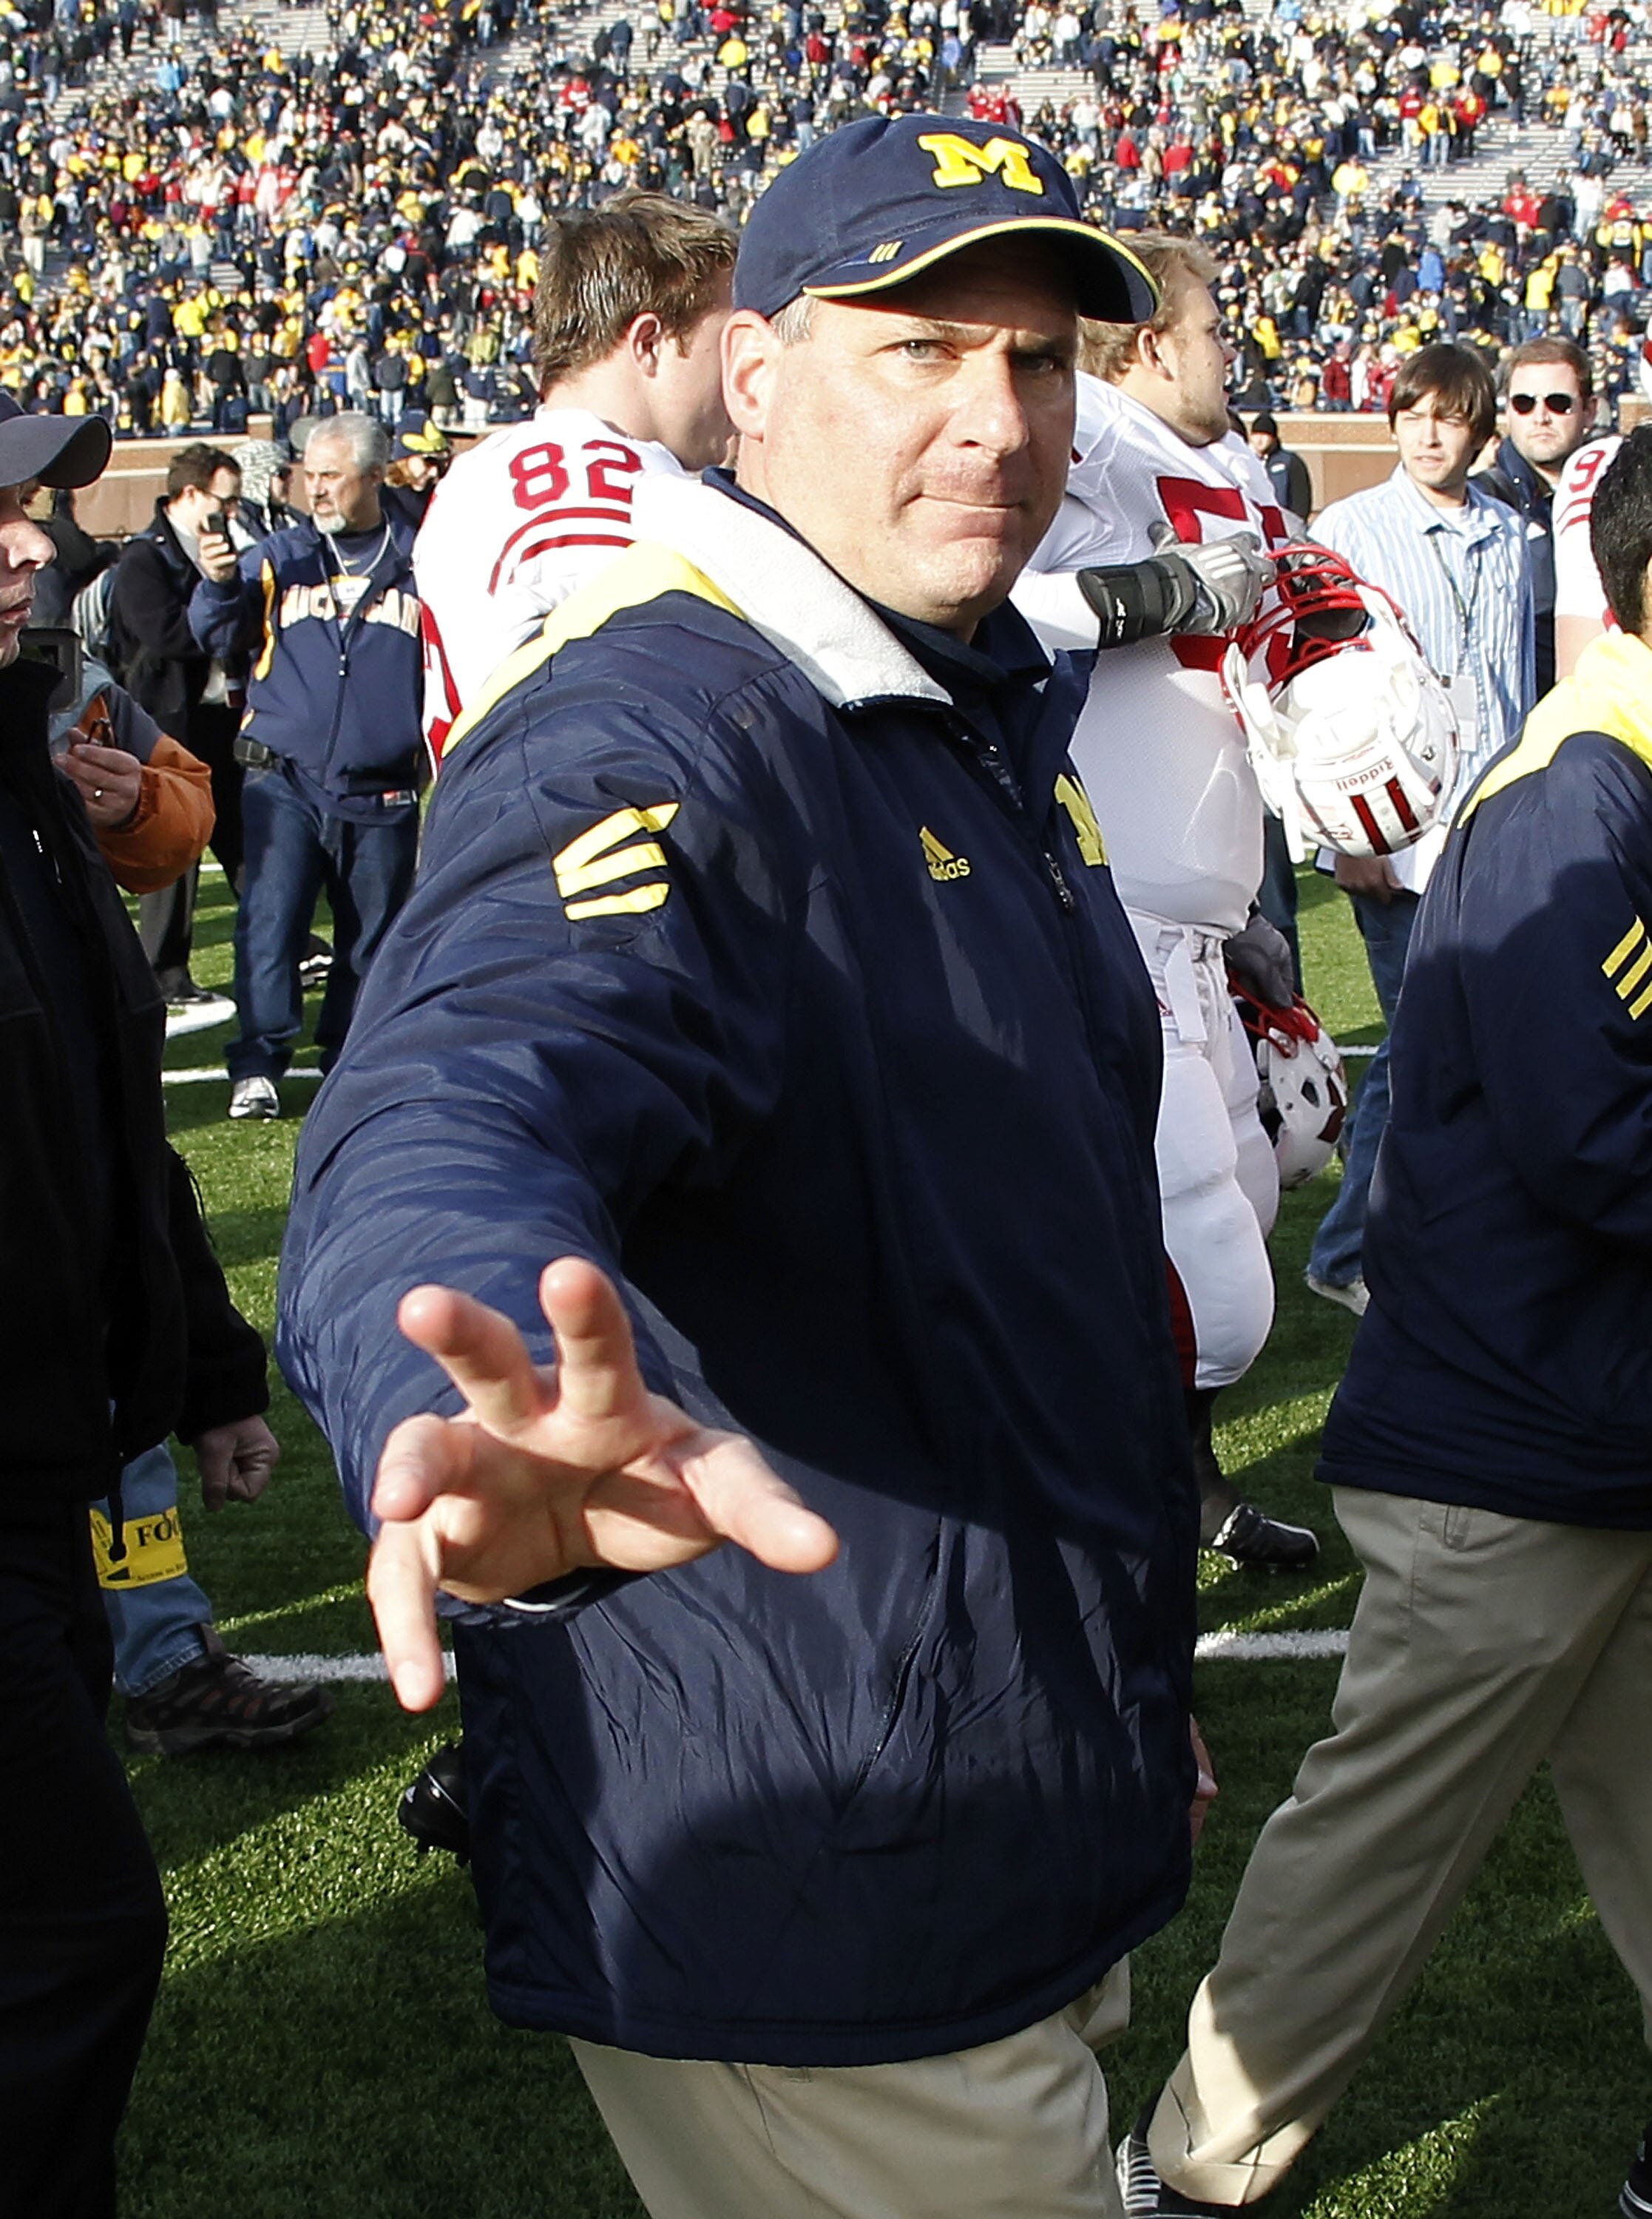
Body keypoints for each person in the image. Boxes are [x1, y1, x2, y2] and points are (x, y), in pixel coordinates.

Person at [281, 115, 1203, 2219]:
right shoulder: (664, 729)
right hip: (823, 1840)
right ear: (754, 374)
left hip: (993, 1772)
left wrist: (1110, 1679)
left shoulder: (954, 704)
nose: (996, 419)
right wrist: (473, 1380)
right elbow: (457, 1097)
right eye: (920, 349)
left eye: (1042, 360)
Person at [1119, 426, 1652, 2219]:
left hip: (1603, 1422)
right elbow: (1601, 1137)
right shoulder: (1581, 802)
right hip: (1523, 1444)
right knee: (1376, 1847)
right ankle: (1196, 2167)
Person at [0, 388, 278, 2217]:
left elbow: (108, 1100)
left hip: (57, 1452)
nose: (35, 547)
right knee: (73, 1928)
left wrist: (203, 1364)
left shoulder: (31, 760)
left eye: (30, 512)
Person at [1015, 234, 1316, 1572]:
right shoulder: (1085, 440)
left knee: (1248, 1194)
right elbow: (1002, 595)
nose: (1225, 354)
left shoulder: (1220, 465)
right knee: (1205, 1258)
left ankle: (1176, 1493)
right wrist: (1166, 594)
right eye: (1206, 329)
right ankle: (1096, 1510)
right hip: (1110, 903)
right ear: (1142, 343)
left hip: (1196, 909)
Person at [1299, 343, 1534, 1318]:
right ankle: (1346, 1247)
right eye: (1409, 414)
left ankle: (1439, 1230)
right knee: (1412, 1044)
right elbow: (1313, 685)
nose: (1426, 433)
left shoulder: (1516, 539)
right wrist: (1345, 837)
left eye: (1446, 416)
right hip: (1390, 836)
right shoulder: (1346, 529)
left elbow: (1516, 684)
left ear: (1480, 430)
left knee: (1470, 1043)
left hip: (1492, 827)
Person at [414, 193, 737, 763]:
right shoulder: (597, 486)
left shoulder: (489, 470)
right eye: (726, 343)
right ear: (650, 343)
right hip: (585, 839)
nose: (738, 376)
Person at [190, 411, 424, 1122]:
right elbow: (216, 633)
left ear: (374, 478)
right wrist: (218, 584)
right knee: (271, 920)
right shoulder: (278, 557)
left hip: (381, 784)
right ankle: (258, 1060)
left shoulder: (422, 560)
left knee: (372, 935)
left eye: (331, 476)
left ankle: (349, 1056)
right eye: (307, 475)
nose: (314, 489)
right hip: (282, 774)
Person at [112, 440, 246, 1005]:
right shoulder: (144, 558)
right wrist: (217, 602)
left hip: (222, 717)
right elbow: (163, 634)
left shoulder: (220, 547)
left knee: (248, 837)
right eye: (225, 501)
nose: (232, 514)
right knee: (177, 851)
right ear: (190, 494)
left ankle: (286, 942)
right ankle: (163, 972)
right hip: (168, 721)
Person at [1471, 335, 1594, 695]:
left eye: (1558, 403)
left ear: (1589, 410)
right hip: (1513, 713)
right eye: (1524, 404)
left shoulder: (1615, 497)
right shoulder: (1478, 501)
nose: (1541, 417)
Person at [1245, 411, 1310, 524]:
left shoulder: (1290, 462)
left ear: (1273, 437)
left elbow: (1301, 500)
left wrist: (1296, 523)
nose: (1260, 440)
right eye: (1256, 435)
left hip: (1284, 523)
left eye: (1265, 435)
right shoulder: (1246, 460)